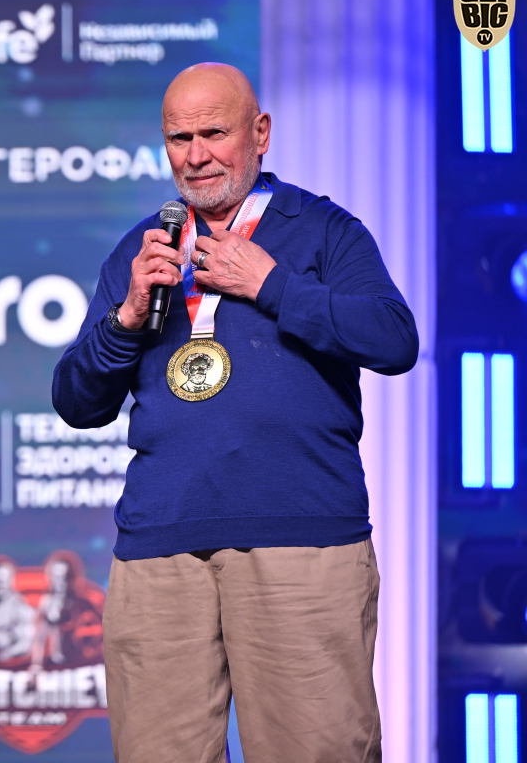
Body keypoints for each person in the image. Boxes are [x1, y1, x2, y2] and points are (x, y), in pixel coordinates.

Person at [52, 64, 417, 762]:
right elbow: (76, 402)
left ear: (261, 133)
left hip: (300, 541)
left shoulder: (323, 231)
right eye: (179, 138)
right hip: (160, 547)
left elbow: (394, 340)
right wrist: (127, 317)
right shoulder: (144, 249)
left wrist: (273, 285)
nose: (196, 155)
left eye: (214, 133)